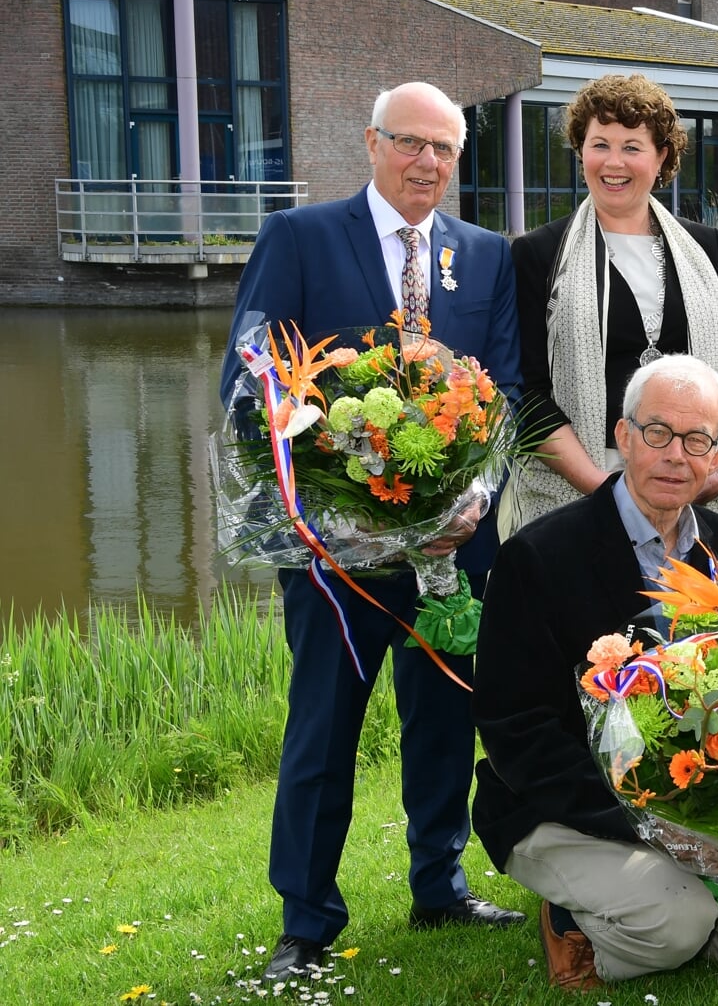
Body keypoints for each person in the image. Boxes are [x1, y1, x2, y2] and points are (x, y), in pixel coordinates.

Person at [219, 81, 526, 982]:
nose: (426, 163)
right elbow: (256, 383)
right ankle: (306, 920)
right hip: (335, 560)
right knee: (323, 731)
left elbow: (502, 391)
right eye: (410, 143)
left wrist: (474, 500)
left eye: (444, 150)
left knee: (443, 721)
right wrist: (330, 504)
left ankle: (440, 884)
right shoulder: (301, 238)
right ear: (371, 142)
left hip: (451, 553)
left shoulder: (485, 255)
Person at [472, 356, 718, 989]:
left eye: (697, 441)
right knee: (677, 922)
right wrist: (657, 831)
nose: (675, 456)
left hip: (695, 802)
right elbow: (515, 728)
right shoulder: (537, 555)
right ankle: (576, 923)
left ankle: (661, 910)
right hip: (564, 803)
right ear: (624, 436)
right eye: (657, 432)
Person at [503, 74, 718, 535]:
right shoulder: (538, 253)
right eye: (599, 144)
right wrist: (606, 490)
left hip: (692, 481)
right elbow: (527, 392)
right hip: (580, 488)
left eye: (632, 147)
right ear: (581, 151)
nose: (613, 162)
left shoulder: (707, 249)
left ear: (662, 157)